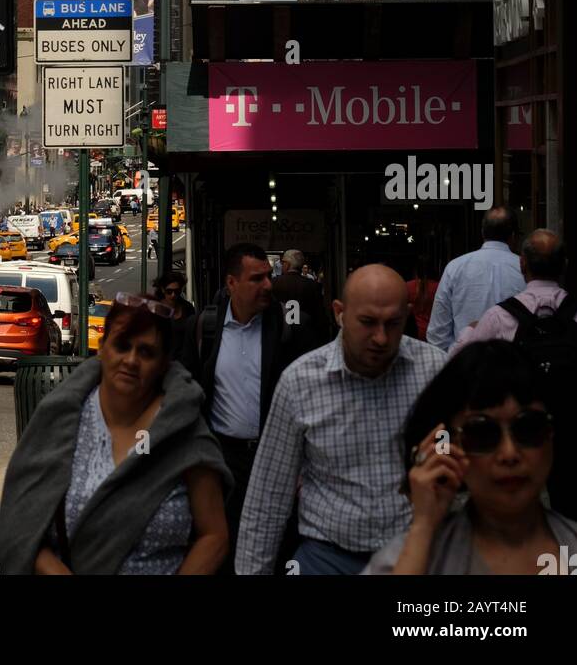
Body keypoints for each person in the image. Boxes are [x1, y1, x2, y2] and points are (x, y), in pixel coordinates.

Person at [0, 294, 231, 574]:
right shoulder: (60, 419)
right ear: (103, 348)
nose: (131, 360)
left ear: (164, 362)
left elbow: (214, 536)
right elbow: (20, 525)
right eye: (122, 345)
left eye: (146, 352)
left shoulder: (183, 430)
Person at [236, 265, 447, 575]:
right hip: (327, 558)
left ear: (409, 315)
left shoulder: (436, 372)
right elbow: (268, 496)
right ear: (339, 313)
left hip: (419, 551)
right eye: (367, 322)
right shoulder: (299, 382)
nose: (381, 337)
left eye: (393, 324)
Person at [364, 341, 577, 575]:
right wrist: (423, 526)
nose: (509, 454)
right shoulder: (411, 556)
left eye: (529, 428)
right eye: (482, 434)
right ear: (445, 447)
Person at [180, 243, 315, 564]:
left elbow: (312, 395)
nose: (268, 285)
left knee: (276, 547)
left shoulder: (291, 328)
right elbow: (185, 392)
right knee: (221, 545)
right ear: (231, 283)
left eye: (269, 276)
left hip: (276, 459)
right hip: (221, 460)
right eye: (257, 279)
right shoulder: (203, 329)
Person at [450, 229, 577, 516]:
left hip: (519, 440)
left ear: (523, 265)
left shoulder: (500, 317)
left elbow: (458, 365)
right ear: (564, 266)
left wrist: (469, 331)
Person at [426, 208, 523, 352]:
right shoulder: (525, 269)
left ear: (482, 233)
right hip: (512, 365)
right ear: (514, 236)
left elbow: (437, 334)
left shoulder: (455, 267)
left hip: (464, 364)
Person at [271, 249, 330, 347]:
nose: (282, 265)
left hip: (279, 338)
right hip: (306, 338)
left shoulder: (273, 283)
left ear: (288, 264)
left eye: (283, 263)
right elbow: (319, 315)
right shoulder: (313, 286)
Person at [153, 271, 195, 357]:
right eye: (169, 291)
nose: (173, 295)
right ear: (162, 289)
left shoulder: (187, 308)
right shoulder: (155, 308)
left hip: (183, 360)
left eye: (177, 291)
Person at [406, 255, 439, 342]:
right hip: (434, 333)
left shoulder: (408, 286)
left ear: (416, 269)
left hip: (413, 333)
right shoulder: (439, 287)